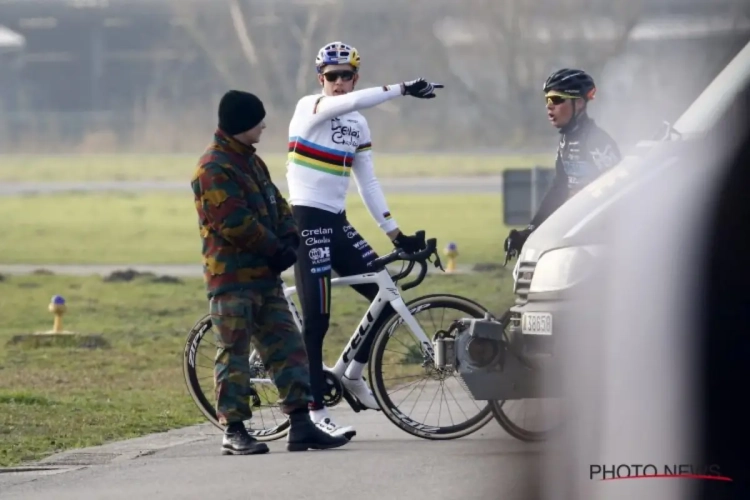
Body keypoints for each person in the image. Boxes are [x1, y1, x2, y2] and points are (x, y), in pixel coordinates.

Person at [285, 41, 443, 438]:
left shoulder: (359, 125)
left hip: (337, 221)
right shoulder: (311, 107)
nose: (339, 83)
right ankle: (314, 408)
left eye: (346, 76)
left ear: (356, 77)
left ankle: (353, 375)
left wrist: (397, 233)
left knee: (385, 294)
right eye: (332, 76)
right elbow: (347, 103)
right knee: (318, 320)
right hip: (307, 219)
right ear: (321, 79)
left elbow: (367, 182)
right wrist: (403, 88)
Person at [191, 89, 350, 455]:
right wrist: (276, 249)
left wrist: (291, 235)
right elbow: (234, 222)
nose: (264, 124)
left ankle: (301, 425)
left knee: (290, 350)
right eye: (258, 118)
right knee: (234, 354)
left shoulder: (251, 162)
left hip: (265, 278)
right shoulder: (213, 167)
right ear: (241, 123)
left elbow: (278, 204)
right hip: (232, 281)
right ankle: (234, 430)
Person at [504, 68, 622, 256]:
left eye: (557, 100)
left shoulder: (597, 142)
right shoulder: (567, 140)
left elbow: (619, 195)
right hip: (578, 230)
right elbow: (560, 189)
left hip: (601, 240)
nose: (549, 106)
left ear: (580, 103)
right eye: (547, 100)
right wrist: (529, 231)